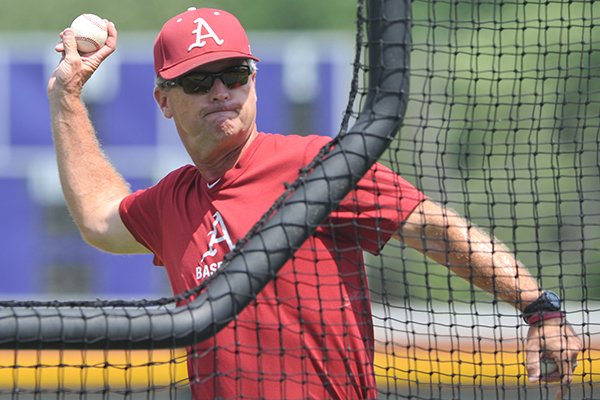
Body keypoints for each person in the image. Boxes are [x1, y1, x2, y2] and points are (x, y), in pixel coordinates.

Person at [48, 7, 582, 400]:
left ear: (253, 82)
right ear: (164, 100)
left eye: (234, 74)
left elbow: (436, 229)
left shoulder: (314, 164)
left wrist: (539, 308)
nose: (221, 91)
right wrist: (66, 96)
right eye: (198, 79)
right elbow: (99, 218)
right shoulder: (175, 199)